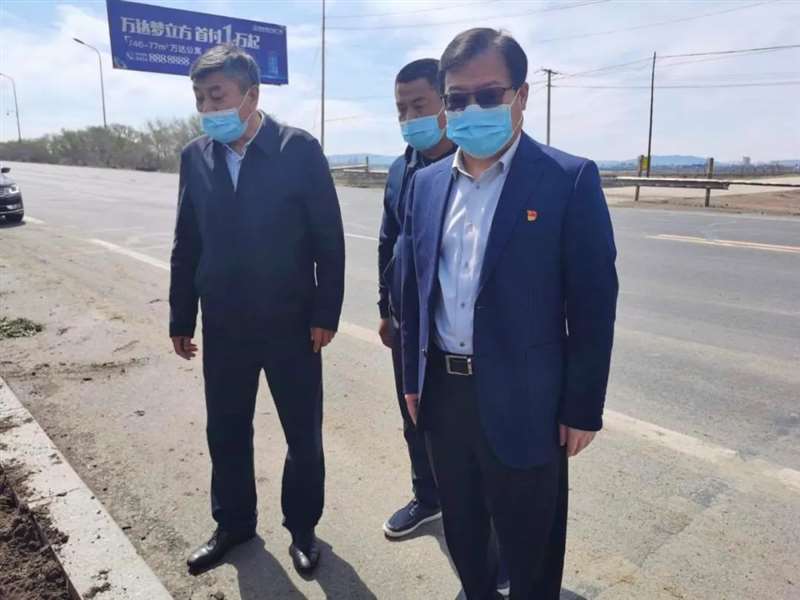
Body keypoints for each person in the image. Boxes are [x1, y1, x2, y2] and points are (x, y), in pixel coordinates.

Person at [400, 28, 618, 600]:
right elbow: (415, 289)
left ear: (521, 95)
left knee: (532, 547)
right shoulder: (425, 185)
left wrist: (582, 407)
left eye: (488, 94)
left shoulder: (567, 179)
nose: (471, 109)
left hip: (529, 401)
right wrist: (412, 379)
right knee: (465, 531)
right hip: (445, 395)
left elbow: (593, 305)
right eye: (457, 98)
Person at [169, 45, 345, 577]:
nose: (207, 107)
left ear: (251, 95)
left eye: (216, 95)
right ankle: (234, 524)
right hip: (225, 324)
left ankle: (303, 528)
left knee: (302, 435)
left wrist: (326, 313)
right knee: (225, 430)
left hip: (292, 324)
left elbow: (328, 239)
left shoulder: (297, 149)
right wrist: (181, 317)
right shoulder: (195, 156)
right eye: (200, 98)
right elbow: (187, 242)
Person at [377, 58, 455, 539]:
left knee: (467, 429)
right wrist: (385, 310)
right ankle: (428, 497)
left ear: (446, 102)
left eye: (419, 106)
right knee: (414, 417)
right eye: (401, 109)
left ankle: (482, 517)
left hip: (455, 327)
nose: (409, 118)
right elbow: (388, 242)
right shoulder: (400, 169)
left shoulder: (471, 165)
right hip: (408, 324)